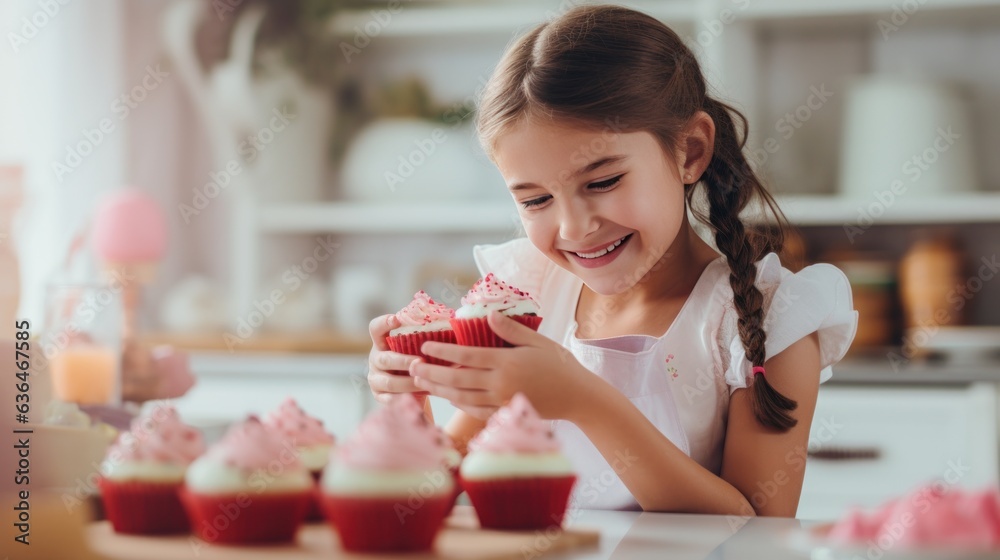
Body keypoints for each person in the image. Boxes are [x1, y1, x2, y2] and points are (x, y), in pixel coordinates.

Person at [366, 5, 857, 517]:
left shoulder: (767, 322)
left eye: (601, 182)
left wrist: (584, 401)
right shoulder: (529, 300)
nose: (575, 228)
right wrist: (411, 409)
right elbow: (443, 489)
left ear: (690, 151)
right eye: (535, 201)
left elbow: (757, 536)